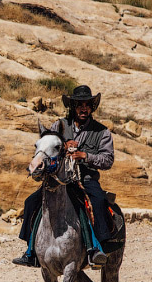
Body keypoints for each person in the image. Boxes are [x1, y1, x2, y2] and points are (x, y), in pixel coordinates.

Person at [13, 84, 116, 267]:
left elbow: (107, 160)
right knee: (31, 202)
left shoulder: (102, 132)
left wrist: (85, 156)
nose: (83, 108)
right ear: (73, 107)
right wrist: (63, 146)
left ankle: (97, 249)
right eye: (79, 105)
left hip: (86, 178)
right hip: (59, 178)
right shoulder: (59, 125)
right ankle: (31, 252)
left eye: (87, 105)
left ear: (92, 107)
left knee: (98, 201)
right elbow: (48, 146)